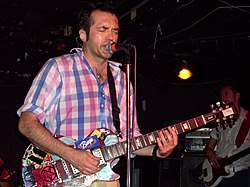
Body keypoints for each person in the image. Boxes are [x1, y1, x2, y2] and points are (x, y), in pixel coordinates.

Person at [17, 3, 178, 187]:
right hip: (62, 176)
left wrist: (158, 151)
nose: (111, 37)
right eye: (103, 29)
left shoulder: (121, 79)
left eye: (115, 31)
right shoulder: (59, 68)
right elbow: (27, 124)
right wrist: (71, 154)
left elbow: (129, 139)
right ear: (83, 35)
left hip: (105, 179)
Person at [203, 83, 250, 187]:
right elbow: (208, 148)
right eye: (221, 95)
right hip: (218, 173)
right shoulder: (220, 120)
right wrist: (210, 153)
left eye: (226, 94)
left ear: (237, 96)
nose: (223, 97)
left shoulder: (248, 120)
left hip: (241, 174)